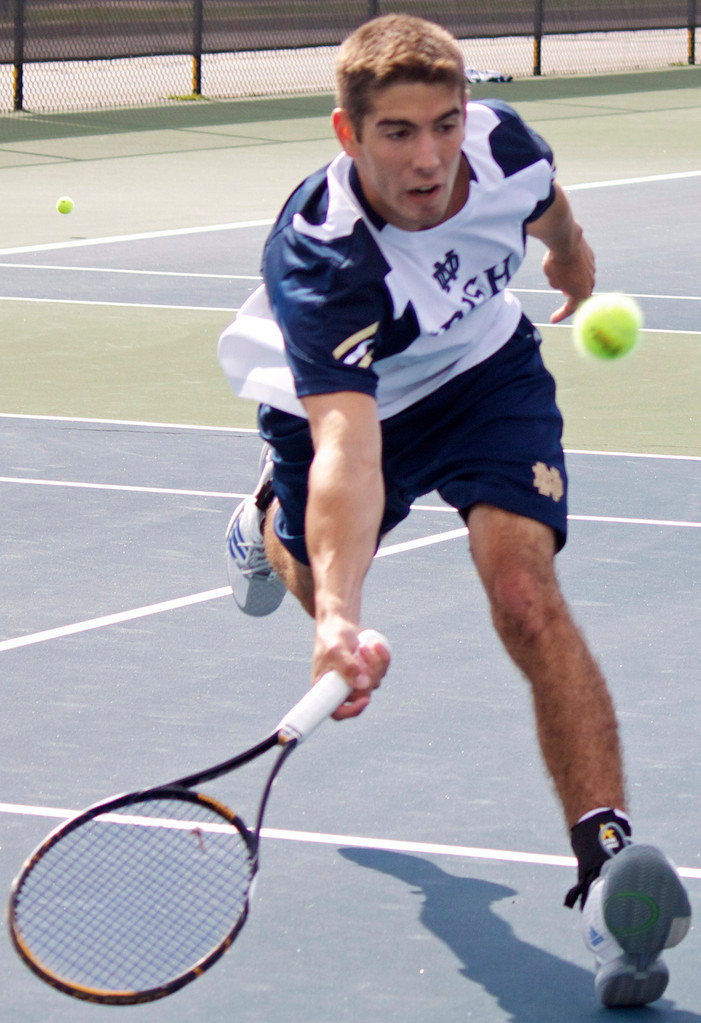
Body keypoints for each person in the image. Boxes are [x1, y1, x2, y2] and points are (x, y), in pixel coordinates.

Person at [217, 14, 691, 1007]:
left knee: (523, 591)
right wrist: (339, 618)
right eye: (397, 132)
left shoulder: (504, 144)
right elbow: (350, 447)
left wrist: (570, 260)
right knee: (316, 580)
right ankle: (263, 521)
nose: (428, 158)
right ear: (347, 136)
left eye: (443, 123)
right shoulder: (323, 258)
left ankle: (605, 864)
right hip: (343, 408)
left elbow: (545, 205)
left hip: (481, 375)